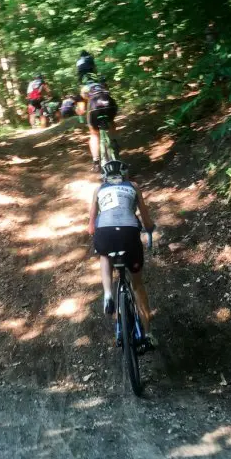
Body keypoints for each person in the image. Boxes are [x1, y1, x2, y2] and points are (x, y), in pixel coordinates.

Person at [88, 160, 156, 346]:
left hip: (105, 233)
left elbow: (91, 226)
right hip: (129, 234)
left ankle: (108, 293)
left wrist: (97, 232)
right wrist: (150, 228)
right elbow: (146, 218)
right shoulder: (133, 186)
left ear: (105, 177)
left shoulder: (98, 189)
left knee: (104, 253)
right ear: (125, 175)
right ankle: (148, 334)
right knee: (137, 285)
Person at [76, 51, 119, 172]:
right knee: (111, 121)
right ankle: (114, 140)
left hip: (94, 107)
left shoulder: (83, 88)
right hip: (109, 104)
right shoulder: (101, 81)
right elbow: (108, 93)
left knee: (94, 134)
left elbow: (82, 109)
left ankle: (96, 162)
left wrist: (81, 114)